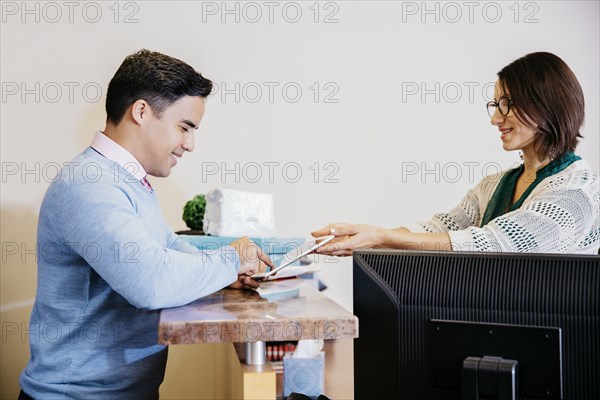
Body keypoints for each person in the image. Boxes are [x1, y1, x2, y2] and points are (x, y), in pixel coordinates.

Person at [19, 49, 272, 400]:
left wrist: (230, 272)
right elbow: (152, 283)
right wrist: (231, 260)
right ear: (141, 111)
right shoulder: (90, 185)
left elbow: (169, 247)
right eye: (184, 127)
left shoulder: (125, 180)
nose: (190, 144)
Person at [313, 52, 599, 255]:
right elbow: (439, 228)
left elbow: (493, 242)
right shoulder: (494, 185)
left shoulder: (576, 192)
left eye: (507, 104)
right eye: (495, 105)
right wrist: (368, 237)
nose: (495, 119)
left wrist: (381, 237)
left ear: (546, 105)